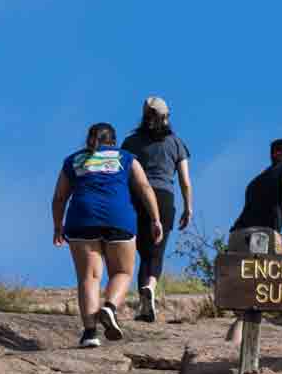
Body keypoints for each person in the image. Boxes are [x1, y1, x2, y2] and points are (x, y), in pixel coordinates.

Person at [51, 123, 163, 348]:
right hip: (118, 218)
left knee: (89, 277)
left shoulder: (73, 160)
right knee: (122, 272)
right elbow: (144, 188)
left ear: (89, 139)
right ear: (113, 140)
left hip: (82, 219)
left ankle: (90, 333)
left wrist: (57, 226)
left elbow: (59, 198)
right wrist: (155, 219)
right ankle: (110, 308)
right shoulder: (126, 157)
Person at [225, 138, 282, 353]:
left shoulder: (258, 180)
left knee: (251, 301)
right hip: (263, 236)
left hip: (237, 237)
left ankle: (230, 351)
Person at [122, 97, 193, 322]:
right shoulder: (176, 143)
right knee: (157, 250)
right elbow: (185, 181)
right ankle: (150, 287)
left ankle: (144, 304)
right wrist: (188, 208)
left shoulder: (131, 142)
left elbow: (122, 175)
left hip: (137, 198)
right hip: (164, 198)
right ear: (166, 117)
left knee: (143, 251)